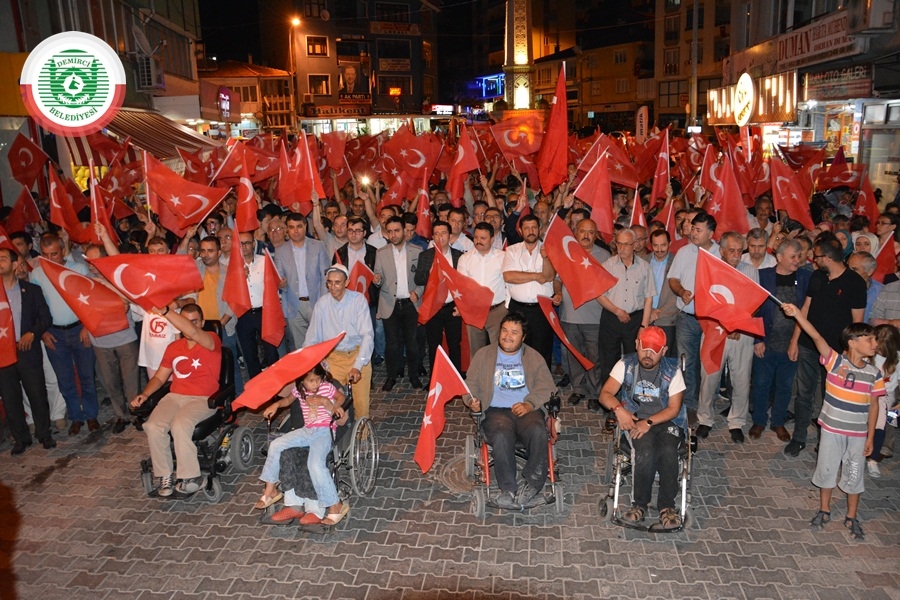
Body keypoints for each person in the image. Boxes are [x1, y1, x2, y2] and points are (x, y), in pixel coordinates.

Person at [781, 303, 883, 541]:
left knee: (854, 474)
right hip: (831, 431)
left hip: (857, 435)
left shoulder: (874, 374)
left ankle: (852, 515)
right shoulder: (835, 362)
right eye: (869, 339)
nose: (875, 344)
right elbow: (816, 336)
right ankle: (824, 509)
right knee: (826, 469)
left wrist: (870, 438)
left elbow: (874, 407)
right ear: (852, 342)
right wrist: (797, 314)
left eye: (875, 340)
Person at [462, 312, 555, 509]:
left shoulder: (534, 357)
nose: (507, 336)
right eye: (504, 330)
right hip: (495, 410)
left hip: (526, 409)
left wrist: (529, 404)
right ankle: (508, 489)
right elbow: (470, 385)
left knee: (538, 431)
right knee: (501, 435)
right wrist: (472, 401)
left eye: (514, 332)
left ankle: (532, 485)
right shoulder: (484, 355)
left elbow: (546, 387)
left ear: (523, 337)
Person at [598, 326, 687, 530]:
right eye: (645, 347)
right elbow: (605, 394)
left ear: (664, 351)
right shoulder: (626, 364)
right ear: (637, 344)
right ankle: (639, 504)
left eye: (654, 350)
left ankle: (667, 507)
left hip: (665, 421)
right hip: (635, 418)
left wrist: (648, 423)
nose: (648, 354)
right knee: (645, 450)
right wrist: (619, 410)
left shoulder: (672, 370)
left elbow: (674, 409)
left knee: (668, 450)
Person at [785, 237, 867, 457]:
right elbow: (805, 308)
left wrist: (849, 354)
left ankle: (825, 442)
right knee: (803, 394)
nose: (814, 260)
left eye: (817, 256)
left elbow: (857, 322)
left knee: (829, 397)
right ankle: (799, 437)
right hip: (808, 346)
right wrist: (794, 340)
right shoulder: (818, 276)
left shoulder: (855, 283)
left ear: (828, 258)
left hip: (837, 353)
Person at [130, 303, 221, 498]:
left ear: (202, 322)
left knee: (180, 425)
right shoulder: (174, 347)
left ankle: (191, 477)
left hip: (202, 398)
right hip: (175, 396)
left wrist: (165, 311)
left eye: (194, 321)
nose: (189, 326)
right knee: (153, 425)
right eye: (185, 321)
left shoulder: (211, 340)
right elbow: (159, 377)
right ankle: (165, 475)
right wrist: (145, 394)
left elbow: (193, 332)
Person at [257, 365, 350, 526]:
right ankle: (270, 489)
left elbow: (341, 397)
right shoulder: (299, 391)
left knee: (314, 464)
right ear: (302, 382)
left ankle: (335, 504)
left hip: (324, 431)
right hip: (307, 430)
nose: (315, 384)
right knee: (276, 445)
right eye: (311, 381)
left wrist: (333, 406)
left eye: (318, 380)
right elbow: (287, 400)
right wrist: (276, 405)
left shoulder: (326, 387)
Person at [30, 234, 99, 435]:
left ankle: (91, 415)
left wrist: (87, 326)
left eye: (54, 254)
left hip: (79, 329)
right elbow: (36, 308)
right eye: (45, 255)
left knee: (87, 376)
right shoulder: (37, 274)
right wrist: (42, 332)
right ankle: (76, 417)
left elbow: (91, 300)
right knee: (65, 379)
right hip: (54, 334)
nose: (50, 259)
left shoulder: (78, 269)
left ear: (63, 251)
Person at [696, 232, 758, 444]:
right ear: (721, 250)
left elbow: (753, 303)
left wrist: (737, 325)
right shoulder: (710, 269)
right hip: (715, 331)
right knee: (709, 378)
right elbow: (705, 300)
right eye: (731, 250)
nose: (736, 255)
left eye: (740, 251)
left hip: (742, 334)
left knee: (741, 380)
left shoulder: (750, 270)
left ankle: (737, 422)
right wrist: (724, 326)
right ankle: (705, 419)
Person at [751, 239, 811, 441]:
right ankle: (759, 421)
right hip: (766, 341)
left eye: (799, 256)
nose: (797, 260)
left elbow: (806, 310)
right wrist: (758, 339)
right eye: (793, 256)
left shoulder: (805, 277)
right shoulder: (763, 276)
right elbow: (755, 309)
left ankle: (778, 422)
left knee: (785, 386)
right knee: (761, 384)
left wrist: (796, 341)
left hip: (791, 344)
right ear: (779, 257)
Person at [0, 248, 55, 455]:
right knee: (10, 398)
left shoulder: (31, 290)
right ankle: (21, 438)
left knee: (37, 393)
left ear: (15, 265)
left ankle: (44, 433)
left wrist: (33, 333)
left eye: (3, 259)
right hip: (3, 353)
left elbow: (45, 318)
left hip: (27, 350)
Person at [305, 264, 374, 418]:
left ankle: (362, 431)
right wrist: (313, 363)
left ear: (347, 282)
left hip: (357, 355)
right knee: (332, 406)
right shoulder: (322, 304)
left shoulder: (358, 300)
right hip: (333, 359)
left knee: (361, 407)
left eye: (337, 283)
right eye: (329, 283)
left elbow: (367, 335)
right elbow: (312, 338)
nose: (332, 287)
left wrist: (357, 366)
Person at [553, 219, 609, 409]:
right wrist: (558, 292)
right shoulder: (566, 252)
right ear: (575, 232)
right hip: (569, 315)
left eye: (590, 232)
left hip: (594, 317)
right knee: (574, 355)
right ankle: (578, 389)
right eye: (582, 231)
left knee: (594, 357)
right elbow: (557, 280)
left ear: (596, 235)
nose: (586, 235)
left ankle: (595, 392)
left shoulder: (605, 256)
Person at [668, 211, 718, 420]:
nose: (694, 233)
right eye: (693, 229)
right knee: (686, 363)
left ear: (711, 233)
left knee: (708, 365)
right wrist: (681, 291)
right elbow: (673, 279)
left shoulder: (720, 254)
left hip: (711, 321)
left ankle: (707, 406)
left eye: (699, 230)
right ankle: (688, 405)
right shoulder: (684, 252)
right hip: (686, 318)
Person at [597, 228, 656, 392]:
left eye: (626, 244)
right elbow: (599, 295)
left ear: (635, 245)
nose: (621, 248)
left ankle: (633, 397)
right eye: (619, 244)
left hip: (635, 320)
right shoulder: (607, 266)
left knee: (635, 360)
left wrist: (644, 326)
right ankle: (609, 398)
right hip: (611, 318)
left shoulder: (644, 267)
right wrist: (617, 311)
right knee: (608, 359)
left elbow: (648, 298)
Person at [374, 216, 424, 391]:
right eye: (390, 231)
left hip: (411, 304)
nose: (393, 235)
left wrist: (417, 293)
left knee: (412, 344)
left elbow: (423, 279)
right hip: (390, 304)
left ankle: (413, 376)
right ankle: (391, 376)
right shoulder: (381, 253)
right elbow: (378, 277)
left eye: (396, 230)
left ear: (404, 231)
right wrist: (377, 280)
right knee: (392, 344)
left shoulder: (417, 251)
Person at [502, 215, 556, 367]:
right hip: (517, 308)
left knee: (542, 349)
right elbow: (509, 276)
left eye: (534, 228)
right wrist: (537, 276)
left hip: (542, 309)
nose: (530, 231)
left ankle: (541, 381)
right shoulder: (512, 250)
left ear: (540, 229)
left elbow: (549, 276)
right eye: (526, 228)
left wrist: (545, 258)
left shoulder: (549, 249)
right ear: (520, 230)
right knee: (516, 348)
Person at [274, 212, 329, 350]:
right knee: (300, 348)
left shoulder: (318, 246)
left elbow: (325, 276)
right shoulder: (280, 250)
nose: (296, 231)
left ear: (305, 226)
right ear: (287, 229)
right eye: (291, 227)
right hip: (293, 305)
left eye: (299, 226)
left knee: (320, 344)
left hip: (316, 302)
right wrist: (281, 284)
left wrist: (323, 302)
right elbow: (279, 278)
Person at [415, 221, 464, 374]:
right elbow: (418, 279)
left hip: (452, 307)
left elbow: (464, 283)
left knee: (454, 345)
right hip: (433, 307)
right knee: (434, 345)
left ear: (450, 236)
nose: (440, 237)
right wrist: (430, 272)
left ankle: (456, 378)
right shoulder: (425, 256)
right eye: (436, 234)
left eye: (443, 233)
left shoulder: (459, 256)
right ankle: (435, 378)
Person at [457, 222, 507, 359]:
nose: (478, 241)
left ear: (492, 239)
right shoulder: (465, 259)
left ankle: (498, 373)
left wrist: (506, 307)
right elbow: (462, 286)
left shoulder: (503, 257)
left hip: (497, 311)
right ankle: (478, 374)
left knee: (500, 350)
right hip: (474, 311)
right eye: (476, 237)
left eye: (483, 238)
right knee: (476, 352)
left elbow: (509, 284)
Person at [236, 232, 279, 378]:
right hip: (243, 314)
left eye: (247, 243)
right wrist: (238, 276)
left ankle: (274, 383)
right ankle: (256, 384)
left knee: (271, 351)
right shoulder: (232, 266)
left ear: (254, 243)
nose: (244, 247)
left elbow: (275, 283)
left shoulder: (264, 261)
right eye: (241, 244)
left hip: (264, 313)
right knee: (249, 354)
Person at [870, 324, 900, 478]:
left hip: (886, 396)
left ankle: (873, 459)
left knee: (882, 426)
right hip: (868, 394)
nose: (877, 349)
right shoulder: (870, 354)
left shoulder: (898, 359)